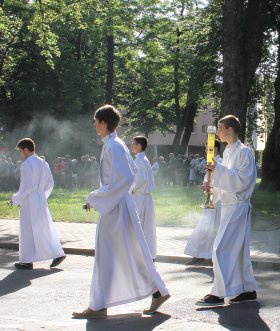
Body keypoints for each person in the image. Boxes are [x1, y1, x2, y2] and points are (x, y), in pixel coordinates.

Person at [73, 105, 169, 319]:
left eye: (96, 121)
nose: (94, 125)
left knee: (109, 256)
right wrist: (102, 196)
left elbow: (125, 178)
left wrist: (96, 197)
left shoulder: (114, 146)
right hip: (117, 206)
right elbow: (131, 174)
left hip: (116, 209)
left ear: (104, 122)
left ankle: (99, 306)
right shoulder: (115, 145)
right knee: (128, 253)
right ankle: (156, 291)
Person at [195, 115, 258, 306]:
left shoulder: (244, 152)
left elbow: (243, 181)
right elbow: (226, 180)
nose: (217, 133)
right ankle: (247, 289)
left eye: (220, 128)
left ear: (230, 130)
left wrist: (219, 171)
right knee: (237, 251)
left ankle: (219, 292)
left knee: (220, 247)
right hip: (229, 206)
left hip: (238, 206)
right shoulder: (229, 151)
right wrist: (211, 187)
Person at [10, 138, 66, 270]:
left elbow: (26, 187)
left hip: (29, 200)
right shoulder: (43, 163)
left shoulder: (26, 165)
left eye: (20, 151)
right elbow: (50, 183)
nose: (20, 154)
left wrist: (14, 199)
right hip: (40, 198)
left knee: (27, 229)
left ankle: (27, 260)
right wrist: (42, 196)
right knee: (44, 227)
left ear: (25, 150)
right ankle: (57, 253)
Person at [185, 144, 222, 264]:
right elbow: (207, 178)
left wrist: (212, 186)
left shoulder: (221, 162)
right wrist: (205, 185)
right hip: (209, 198)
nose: (206, 151)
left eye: (208, 148)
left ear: (215, 149)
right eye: (206, 149)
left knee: (216, 229)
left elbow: (224, 181)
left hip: (219, 200)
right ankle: (198, 254)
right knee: (203, 228)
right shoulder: (208, 162)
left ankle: (215, 257)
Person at [130, 136, 157, 259]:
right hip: (143, 197)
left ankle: (140, 255)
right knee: (146, 228)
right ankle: (146, 254)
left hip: (140, 197)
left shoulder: (140, 161)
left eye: (133, 144)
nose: (131, 146)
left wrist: (128, 190)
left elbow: (138, 180)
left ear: (139, 146)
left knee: (139, 227)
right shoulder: (142, 159)